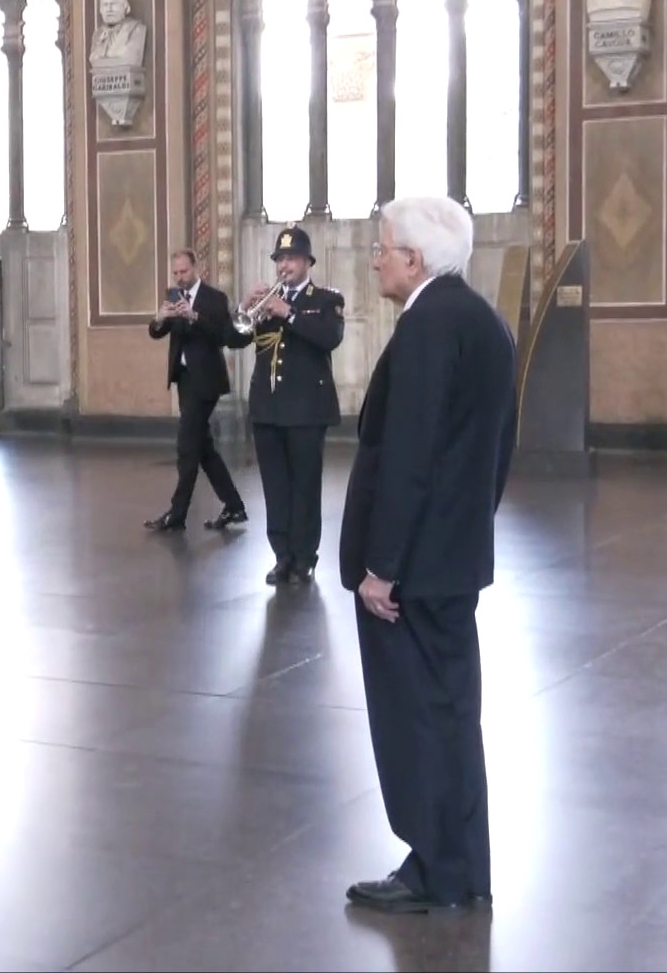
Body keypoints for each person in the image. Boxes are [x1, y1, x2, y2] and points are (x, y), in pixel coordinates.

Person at [339, 195, 518, 914]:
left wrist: (382, 566)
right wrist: (467, 526)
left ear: (413, 259)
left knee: (417, 717)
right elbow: (496, 449)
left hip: (410, 570)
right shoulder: (485, 321)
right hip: (454, 555)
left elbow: (408, 454)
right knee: (450, 713)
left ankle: (432, 872)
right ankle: (459, 866)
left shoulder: (426, 328)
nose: (375, 258)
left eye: (382, 248)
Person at [241, 226, 344, 584]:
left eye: (292, 258)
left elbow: (329, 337)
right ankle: (281, 555)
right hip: (267, 409)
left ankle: (305, 557)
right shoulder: (264, 302)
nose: (285, 265)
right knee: (275, 486)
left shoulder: (326, 300)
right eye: (280, 259)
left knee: (304, 485)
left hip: (306, 411)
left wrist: (288, 312)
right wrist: (244, 308)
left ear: (307, 262)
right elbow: (233, 337)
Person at [145, 249, 253, 532]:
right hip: (184, 380)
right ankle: (234, 506)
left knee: (187, 447)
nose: (180, 277)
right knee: (204, 449)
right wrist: (159, 318)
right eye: (176, 273)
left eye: (184, 271)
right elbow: (157, 332)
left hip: (205, 380)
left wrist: (193, 316)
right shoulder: (173, 295)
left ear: (196, 268)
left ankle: (177, 515)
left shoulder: (214, 298)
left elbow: (222, 335)